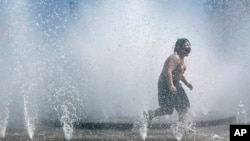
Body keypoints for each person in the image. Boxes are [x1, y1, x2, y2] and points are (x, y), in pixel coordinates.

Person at [144, 38, 193, 125]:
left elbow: (180, 74)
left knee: (183, 107)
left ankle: (181, 127)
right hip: (165, 83)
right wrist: (170, 85)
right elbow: (168, 71)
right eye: (186, 45)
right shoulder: (175, 57)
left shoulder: (184, 60)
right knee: (167, 109)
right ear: (180, 47)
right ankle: (150, 114)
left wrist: (187, 83)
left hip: (176, 83)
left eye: (189, 45)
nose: (189, 47)